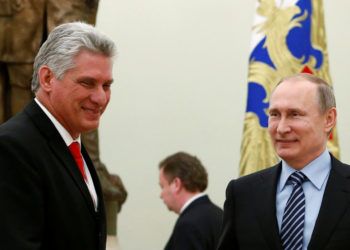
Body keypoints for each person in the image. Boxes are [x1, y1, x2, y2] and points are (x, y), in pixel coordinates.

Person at [0, 22, 115, 250]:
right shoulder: (12, 148)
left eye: (107, 85)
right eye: (87, 83)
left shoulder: (72, 145)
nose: (100, 98)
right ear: (48, 79)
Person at [217, 73, 350, 250]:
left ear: (329, 119)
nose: (281, 128)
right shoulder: (242, 193)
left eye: (295, 114)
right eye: (274, 114)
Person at [159, 152, 223, 250]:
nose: (161, 195)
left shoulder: (187, 225)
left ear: (176, 184)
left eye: (162, 186)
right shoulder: (220, 214)